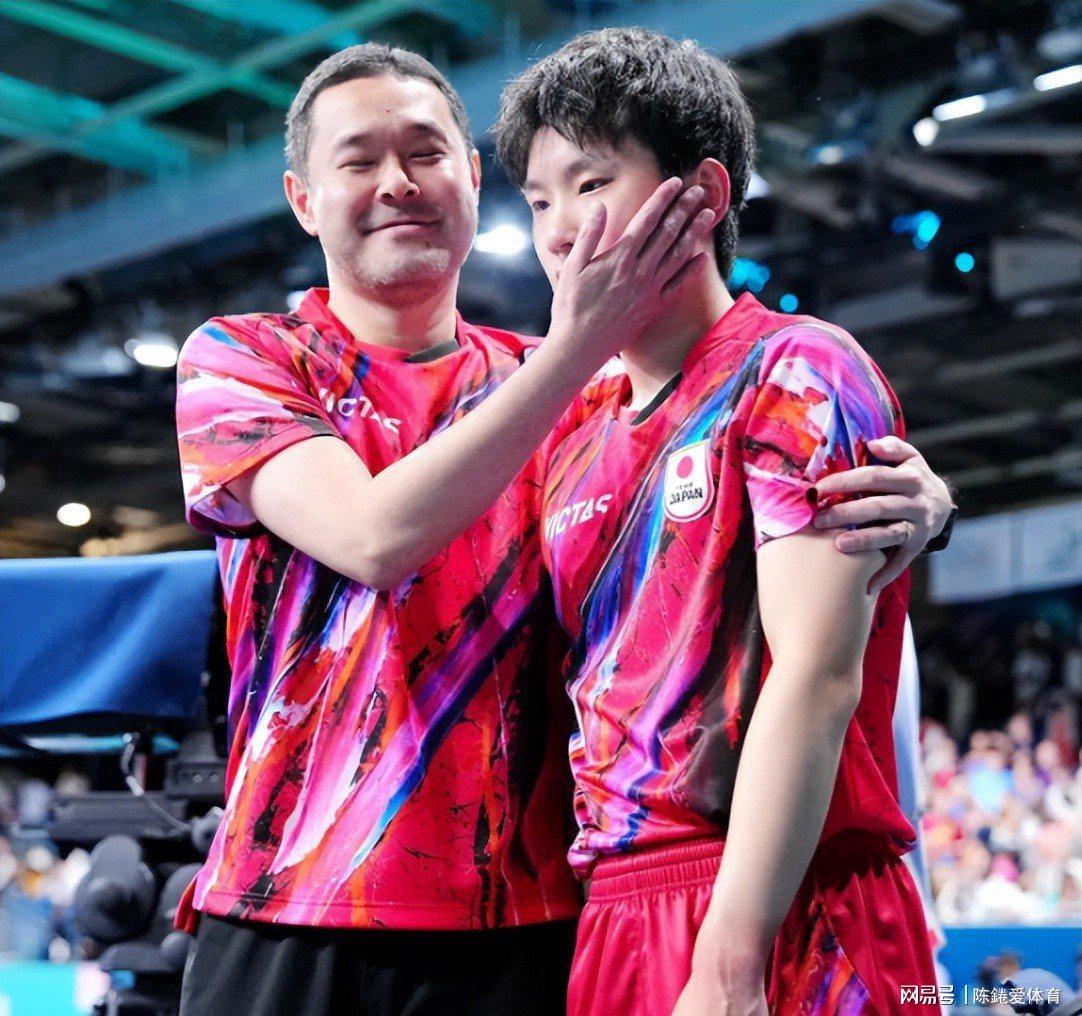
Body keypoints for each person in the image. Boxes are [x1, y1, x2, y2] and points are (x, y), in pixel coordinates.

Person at [175, 40, 953, 1016]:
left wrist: (913, 501)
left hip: (529, 920)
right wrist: (580, 341)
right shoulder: (244, 359)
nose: (396, 182)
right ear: (302, 198)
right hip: (291, 903)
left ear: (469, 179)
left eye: (424, 152)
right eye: (358, 159)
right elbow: (373, 538)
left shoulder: (578, 397)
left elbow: (741, 547)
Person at [494, 27, 949, 1015]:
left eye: (590, 183)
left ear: (700, 193)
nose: (559, 232)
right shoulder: (560, 426)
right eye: (537, 201)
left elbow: (816, 675)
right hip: (613, 907)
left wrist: (731, 958)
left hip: (785, 900)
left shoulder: (798, 370)